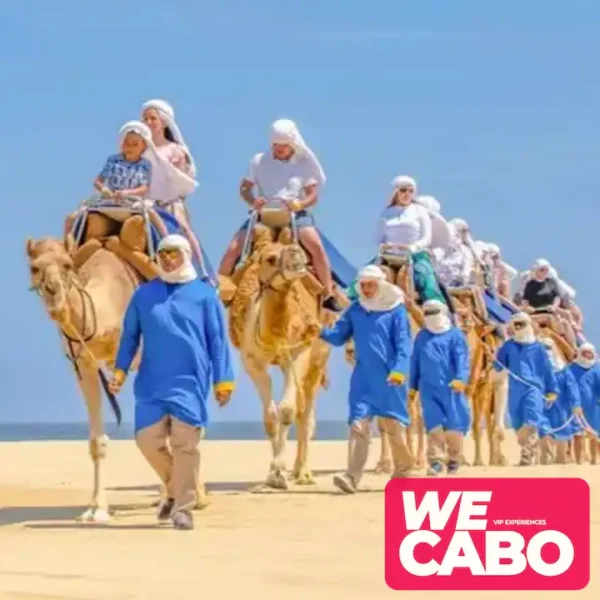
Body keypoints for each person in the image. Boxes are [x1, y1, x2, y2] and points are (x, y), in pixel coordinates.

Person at [108, 234, 235, 530]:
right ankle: (174, 488)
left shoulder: (204, 294)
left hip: (189, 381)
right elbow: (130, 336)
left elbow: (217, 340)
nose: (166, 258)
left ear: (186, 255)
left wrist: (223, 380)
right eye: (162, 253)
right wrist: (119, 371)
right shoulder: (144, 295)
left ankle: (183, 508)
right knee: (146, 440)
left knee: (185, 446)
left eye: (173, 253)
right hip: (151, 382)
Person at [218, 118, 342, 312]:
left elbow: (313, 195)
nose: (280, 149)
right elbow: (245, 188)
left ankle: (327, 294)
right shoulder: (259, 160)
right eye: (276, 145)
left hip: (294, 215)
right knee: (233, 249)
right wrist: (253, 201)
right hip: (264, 216)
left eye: (283, 146)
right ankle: (220, 291)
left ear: (292, 143)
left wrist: (299, 203)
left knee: (317, 247)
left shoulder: (303, 162)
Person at [318, 265, 414, 492]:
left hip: (391, 379)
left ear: (380, 285)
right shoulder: (356, 310)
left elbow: (403, 346)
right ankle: (352, 477)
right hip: (362, 379)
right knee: (358, 425)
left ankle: (403, 471)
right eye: (363, 285)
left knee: (393, 428)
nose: (367, 289)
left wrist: (399, 370)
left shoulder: (396, 311)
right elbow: (339, 337)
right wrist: (319, 330)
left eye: (371, 285)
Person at [64, 121, 168, 240]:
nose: (130, 147)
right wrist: (104, 189)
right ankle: (68, 243)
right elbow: (98, 181)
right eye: (127, 143)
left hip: (132, 202)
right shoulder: (113, 160)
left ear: (143, 146)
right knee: (73, 216)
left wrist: (127, 193)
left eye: (135, 144)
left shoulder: (145, 164)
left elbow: (144, 188)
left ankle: (166, 240)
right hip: (109, 200)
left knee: (152, 214)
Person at [141, 99, 208, 276]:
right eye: (145, 119)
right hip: (142, 204)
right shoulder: (139, 149)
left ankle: (200, 270)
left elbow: (180, 179)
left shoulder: (175, 150)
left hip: (168, 203)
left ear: (163, 121)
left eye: (152, 118)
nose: (148, 123)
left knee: (183, 230)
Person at [409, 300, 471, 476]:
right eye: (427, 313)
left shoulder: (455, 335)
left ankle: (454, 459)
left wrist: (460, 379)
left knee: (453, 425)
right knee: (433, 423)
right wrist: (412, 386)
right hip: (428, 388)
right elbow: (415, 361)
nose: (431, 316)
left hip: (452, 388)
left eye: (434, 312)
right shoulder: (422, 336)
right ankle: (435, 461)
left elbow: (461, 359)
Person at [494, 312, 558, 466]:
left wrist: (552, 390)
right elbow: (499, 365)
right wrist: (493, 361)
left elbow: (547, 370)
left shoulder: (538, 348)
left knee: (531, 419)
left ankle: (527, 455)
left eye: (521, 324)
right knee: (518, 424)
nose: (518, 327)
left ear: (528, 324)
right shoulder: (508, 346)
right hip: (515, 390)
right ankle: (529, 449)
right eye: (516, 325)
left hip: (534, 389)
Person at [376, 175, 447, 305]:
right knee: (366, 275)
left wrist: (413, 247)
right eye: (403, 190)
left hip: (415, 254)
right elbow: (379, 237)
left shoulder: (419, 211)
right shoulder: (386, 212)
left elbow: (426, 238)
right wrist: (385, 246)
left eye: (411, 191)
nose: (407, 194)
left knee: (424, 277)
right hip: (389, 254)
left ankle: (437, 309)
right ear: (396, 192)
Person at [537, 338, 583, 464]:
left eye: (548, 348)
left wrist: (576, 404)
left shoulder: (563, 370)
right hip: (543, 407)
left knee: (562, 432)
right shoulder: (536, 372)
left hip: (561, 408)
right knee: (542, 431)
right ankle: (544, 458)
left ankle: (561, 460)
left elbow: (572, 388)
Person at [520, 258, 577, 347]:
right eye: (542, 269)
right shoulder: (530, 284)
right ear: (536, 270)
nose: (544, 272)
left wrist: (554, 306)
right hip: (536, 313)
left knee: (565, 321)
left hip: (550, 311)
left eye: (546, 270)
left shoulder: (551, 282)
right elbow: (525, 301)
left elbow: (557, 297)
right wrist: (528, 308)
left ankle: (573, 349)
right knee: (548, 319)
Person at [568, 343, 600, 464]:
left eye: (589, 353)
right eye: (584, 353)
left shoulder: (596, 370)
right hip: (576, 409)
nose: (587, 356)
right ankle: (579, 462)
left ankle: (594, 460)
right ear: (580, 353)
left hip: (594, 408)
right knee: (578, 435)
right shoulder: (571, 369)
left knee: (594, 436)